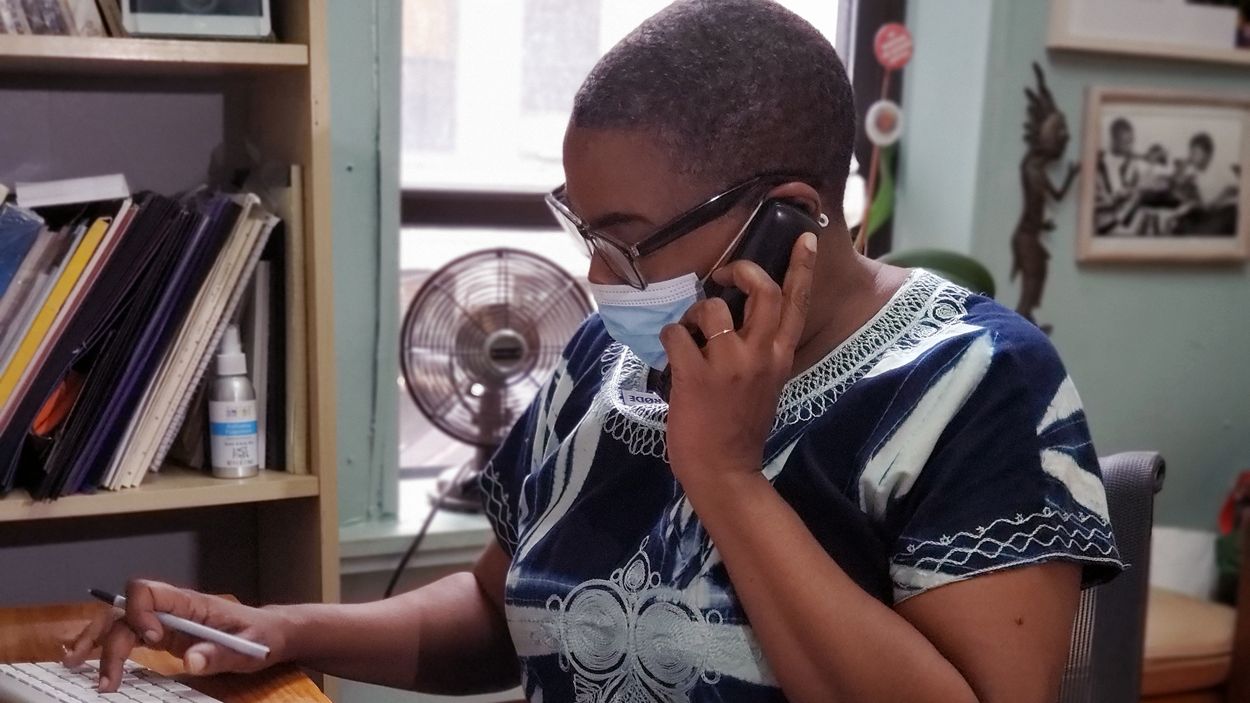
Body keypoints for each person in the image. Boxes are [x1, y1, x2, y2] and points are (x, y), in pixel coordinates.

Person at [66, 3, 1122, 702]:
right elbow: (496, 608)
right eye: (584, 232)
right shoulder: (605, 360)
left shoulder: (979, 380)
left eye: (626, 239)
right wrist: (283, 627)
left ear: (789, 216)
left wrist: (726, 478)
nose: (600, 277)